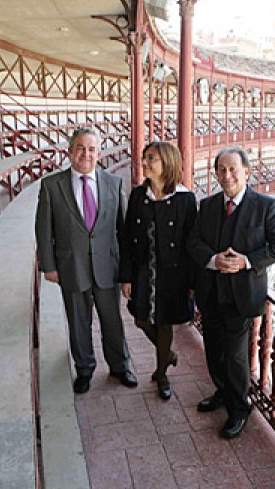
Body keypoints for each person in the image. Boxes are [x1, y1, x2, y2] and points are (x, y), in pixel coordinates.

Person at [188, 146, 275, 439]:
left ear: (247, 172)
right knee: (213, 352)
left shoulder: (265, 206)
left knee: (235, 357)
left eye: (233, 169)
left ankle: (239, 408)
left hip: (242, 296)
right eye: (221, 170)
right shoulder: (207, 206)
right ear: (216, 175)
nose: (227, 175)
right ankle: (222, 392)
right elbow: (193, 242)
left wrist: (246, 261)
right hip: (211, 294)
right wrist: (213, 260)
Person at [35, 127, 137, 394]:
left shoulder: (113, 184)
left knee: (112, 320)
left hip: (107, 268)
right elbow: (43, 229)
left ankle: (120, 366)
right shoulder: (51, 186)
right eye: (80, 148)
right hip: (71, 267)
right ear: (70, 152)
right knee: (79, 322)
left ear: (99, 153)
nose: (86, 154)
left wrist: (126, 271)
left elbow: (124, 232)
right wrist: (49, 266)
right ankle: (84, 369)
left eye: (91, 149)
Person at [119, 142, 197, 401]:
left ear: (168, 162)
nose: (144, 163)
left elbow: (191, 243)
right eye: (144, 158)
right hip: (143, 270)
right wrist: (127, 276)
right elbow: (128, 237)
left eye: (150, 158)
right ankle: (169, 355)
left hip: (172, 274)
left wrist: (191, 281)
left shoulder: (185, 199)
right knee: (141, 318)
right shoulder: (138, 196)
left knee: (164, 322)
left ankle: (162, 373)